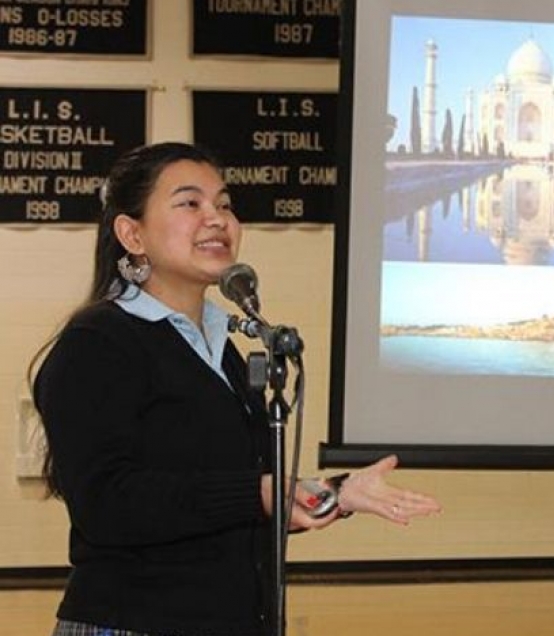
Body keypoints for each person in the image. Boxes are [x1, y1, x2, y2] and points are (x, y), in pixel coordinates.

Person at [30, 141, 442, 636]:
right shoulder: (97, 344)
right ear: (131, 233)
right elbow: (107, 504)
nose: (217, 218)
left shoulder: (220, 345)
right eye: (190, 203)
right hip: (132, 622)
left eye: (224, 204)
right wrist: (259, 492)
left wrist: (336, 493)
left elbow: (233, 497)